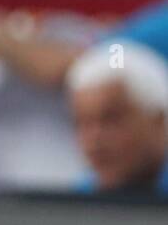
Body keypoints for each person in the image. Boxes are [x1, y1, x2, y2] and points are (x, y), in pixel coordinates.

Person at [67, 41, 168, 194]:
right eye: (82, 123)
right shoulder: (73, 204)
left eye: (111, 120)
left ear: (158, 121)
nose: (95, 138)